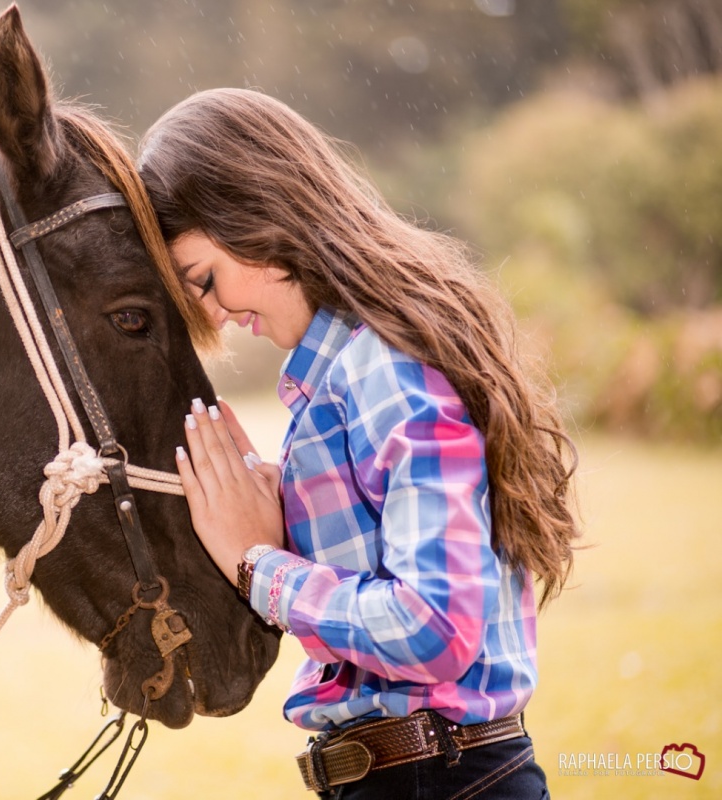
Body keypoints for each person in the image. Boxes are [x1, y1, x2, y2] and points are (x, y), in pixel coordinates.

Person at [138, 88, 579, 798]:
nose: (213, 314)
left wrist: (259, 567)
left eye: (206, 281)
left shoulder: (388, 372)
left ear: (254, 217)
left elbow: (433, 627)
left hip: (441, 778)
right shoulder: (342, 381)